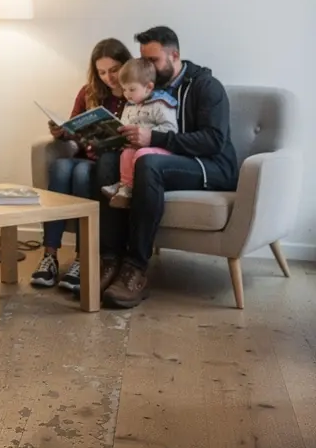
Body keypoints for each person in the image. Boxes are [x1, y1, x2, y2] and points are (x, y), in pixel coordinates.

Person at [100, 25, 237, 308]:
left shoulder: (206, 87)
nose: (146, 66)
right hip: (169, 159)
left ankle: (135, 269)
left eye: (153, 60)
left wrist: (154, 138)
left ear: (174, 55)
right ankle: (109, 258)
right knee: (109, 161)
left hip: (210, 166)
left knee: (150, 164)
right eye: (143, 59)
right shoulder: (151, 88)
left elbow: (213, 140)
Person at [31, 37, 132, 292]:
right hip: (86, 156)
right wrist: (62, 131)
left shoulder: (135, 91)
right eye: (101, 72)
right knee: (62, 167)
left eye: (113, 70)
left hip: (112, 164)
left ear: (126, 64)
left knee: (83, 173)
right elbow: (76, 128)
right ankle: (50, 255)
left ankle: (82, 259)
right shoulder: (90, 92)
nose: (108, 77)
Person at [100, 58, 175, 207]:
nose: (127, 94)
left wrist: (148, 134)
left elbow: (171, 129)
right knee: (127, 153)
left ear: (148, 87)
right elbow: (125, 125)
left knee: (141, 155)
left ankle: (128, 188)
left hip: (160, 149)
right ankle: (125, 186)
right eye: (124, 89)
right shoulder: (130, 106)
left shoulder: (160, 104)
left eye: (132, 89)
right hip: (135, 146)